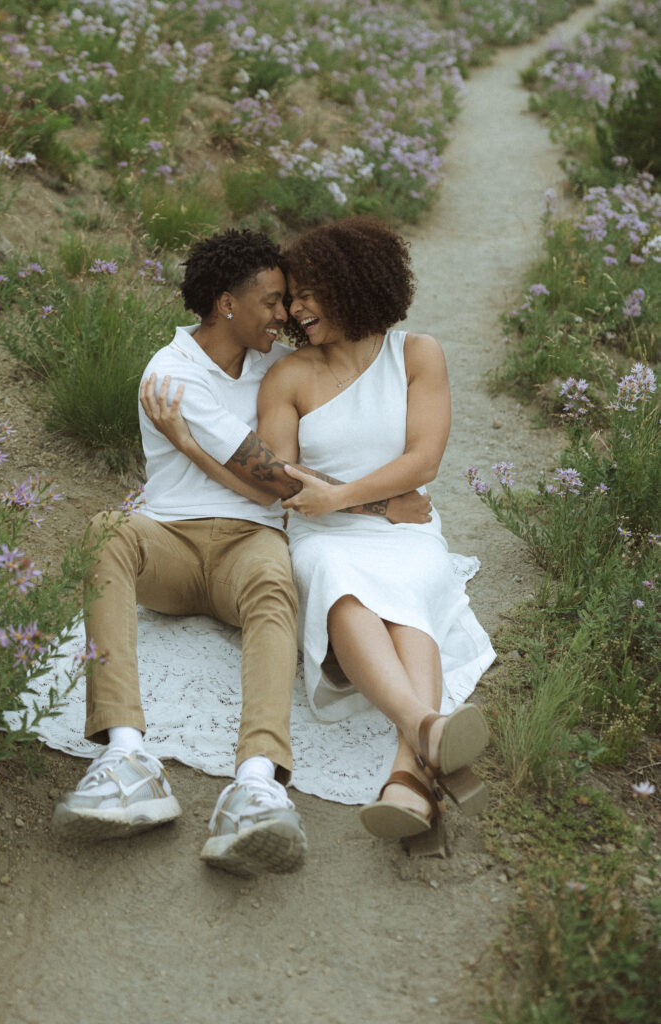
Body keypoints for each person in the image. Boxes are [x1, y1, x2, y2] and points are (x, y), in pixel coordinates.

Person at [53, 227, 431, 874]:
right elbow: (274, 480)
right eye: (272, 301)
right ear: (226, 303)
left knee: (273, 574)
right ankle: (124, 756)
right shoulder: (171, 374)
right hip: (168, 540)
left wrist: (368, 501)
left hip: (248, 547)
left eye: (288, 303)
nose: (284, 316)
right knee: (104, 532)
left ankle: (257, 783)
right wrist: (383, 505)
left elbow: (273, 498)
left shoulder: (272, 368)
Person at [142, 216, 495, 853]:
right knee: (338, 581)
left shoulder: (419, 355)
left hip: (399, 529)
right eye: (289, 297)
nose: (297, 310)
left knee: (412, 587)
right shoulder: (289, 375)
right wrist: (366, 504)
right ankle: (424, 730)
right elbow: (281, 480)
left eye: (309, 292)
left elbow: (425, 461)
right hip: (322, 531)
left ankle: (406, 774)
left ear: (356, 285)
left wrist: (350, 497)